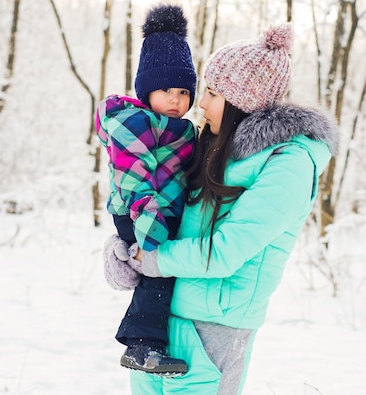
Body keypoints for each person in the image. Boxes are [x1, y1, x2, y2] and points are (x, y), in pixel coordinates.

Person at [103, 23, 339, 394]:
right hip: (159, 324)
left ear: (241, 100)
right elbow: (165, 209)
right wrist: (123, 249)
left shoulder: (289, 163)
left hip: (213, 333)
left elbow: (227, 251)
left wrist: (149, 260)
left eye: (211, 93)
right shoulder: (209, 144)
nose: (199, 103)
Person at [96, 4, 198, 377]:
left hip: (160, 210)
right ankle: (142, 347)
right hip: (138, 211)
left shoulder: (180, 128)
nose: (176, 99)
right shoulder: (132, 121)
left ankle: (150, 341)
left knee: (164, 274)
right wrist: (151, 233)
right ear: (146, 89)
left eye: (184, 91)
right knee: (159, 272)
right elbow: (134, 178)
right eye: (166, 90)